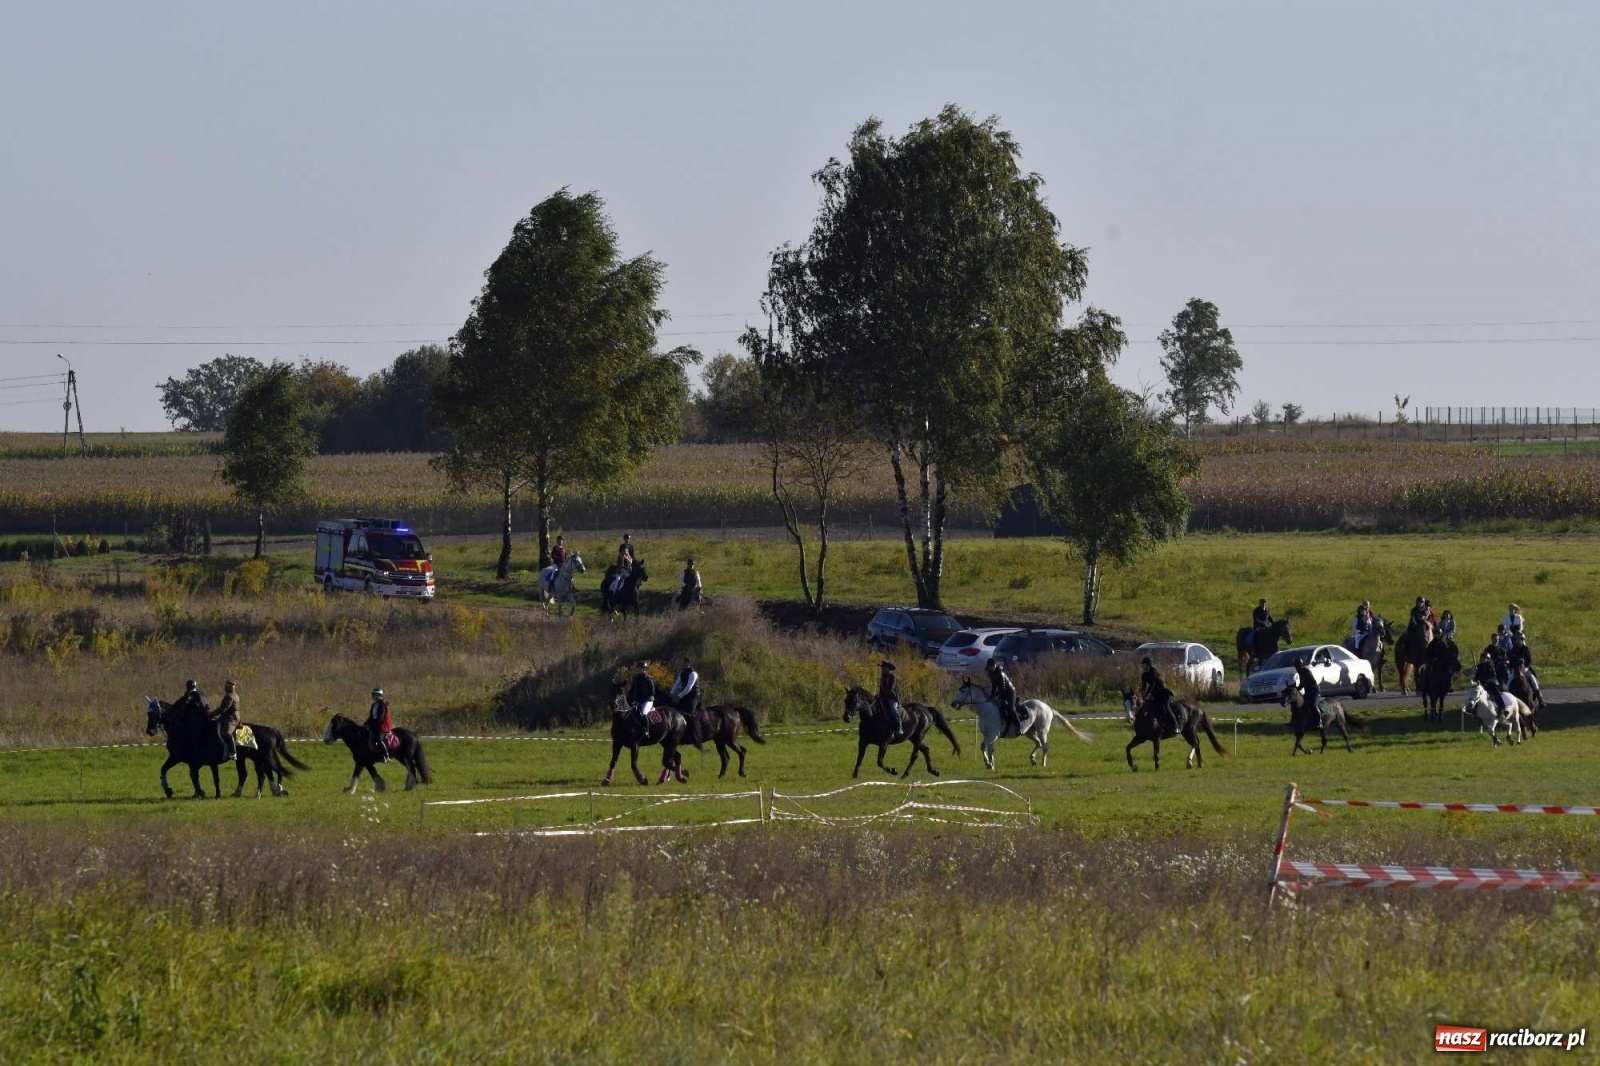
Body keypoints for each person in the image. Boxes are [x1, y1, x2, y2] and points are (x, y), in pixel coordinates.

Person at [1139, 655, 1179, 735]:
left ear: (1148, 665)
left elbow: (1152, 685)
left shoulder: (1153, 672)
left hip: (1163, 693)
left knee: (1166, 708)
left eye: (1144, 664)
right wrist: (1139, 695)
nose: (1142, 666)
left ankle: (1176, 726)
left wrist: (1146, 695)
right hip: (1155, 694)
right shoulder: (1144, 675)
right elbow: (1144, 687)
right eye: (1142, 664)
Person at [985, 656, 1024, 733]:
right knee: (999, 707)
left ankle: (1019, 726)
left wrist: (996, 695)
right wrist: (991, 696)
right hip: (1002, 692)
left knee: (1011, 709)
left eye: (992, 666)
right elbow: (994, 686)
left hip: (1010, 692)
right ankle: (1005, 722)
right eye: (990, 666)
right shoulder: (990, 673)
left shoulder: (1000, 673)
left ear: (996, 664)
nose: (991, 667)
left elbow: (1002, 688)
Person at [214, 679, 242, 762]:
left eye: (226, 687)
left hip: (230, 718)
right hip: (231, 716)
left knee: (227, 733)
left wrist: (212, 714)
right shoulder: (234, 695)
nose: (225, 688)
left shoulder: (229, 696)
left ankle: (233, 753)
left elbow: (223, 709)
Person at [876, 660, 903, 738]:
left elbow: (890, 689)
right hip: (884, 697)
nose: (882, 669)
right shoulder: (882, 677)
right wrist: (878, 695)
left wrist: (882, 695)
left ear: (888, 669)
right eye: (882, 668)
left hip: (893, 698)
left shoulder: (893, 677)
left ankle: (899, 727)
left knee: (893, 709)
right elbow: (881, 689)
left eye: (883, 668)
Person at [367, 687, 393, 762]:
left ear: (381, 696)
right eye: (374, 695)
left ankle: (386, 755)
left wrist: (373, 725)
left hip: (383, 725)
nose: (376, 696)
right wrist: (366, 724)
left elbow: (380, 717)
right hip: (376, 724)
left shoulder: (382, 705)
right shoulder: (373, 705)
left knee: (378, 739)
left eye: (378, 695)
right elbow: (371, 717)